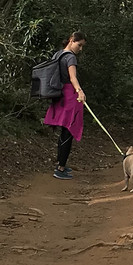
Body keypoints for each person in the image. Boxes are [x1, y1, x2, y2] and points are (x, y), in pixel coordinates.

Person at [43, 30, 86, 179]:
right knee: (68, 132)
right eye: (79, 45)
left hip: (58, 96)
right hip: (69, 96)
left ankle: (61, 164)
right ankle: (60, 168)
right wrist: (80, 91)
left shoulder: (58, 54)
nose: (80, 49)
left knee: (64, 132)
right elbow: (73, 78)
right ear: (71, 40)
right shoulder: (70, 58)